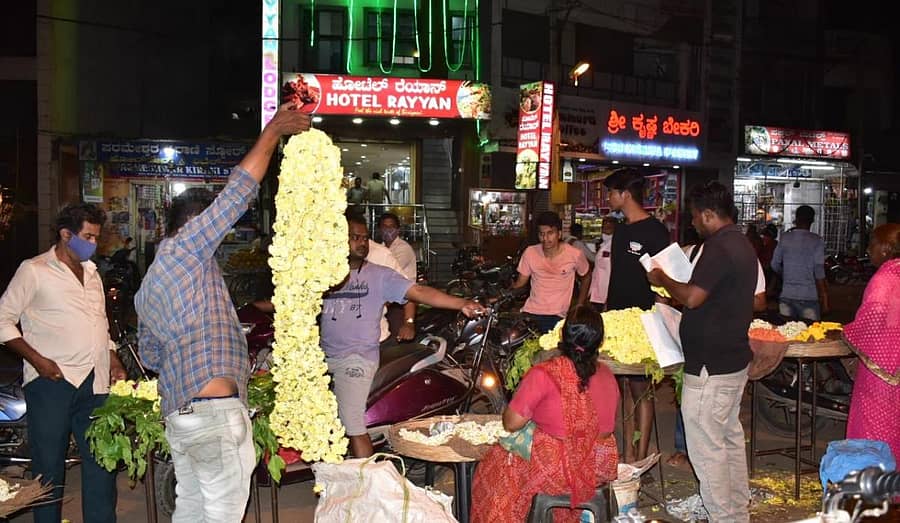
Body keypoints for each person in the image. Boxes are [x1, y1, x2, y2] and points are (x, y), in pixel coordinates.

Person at [134, 102, 310, 522]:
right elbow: (237, 192)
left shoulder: (147, 288)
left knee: (193, 512)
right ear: (194, 222)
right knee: (223, 515)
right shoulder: (187, 250)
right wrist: (273, 131)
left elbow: (153, 356)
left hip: (182, 417)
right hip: (212, 417)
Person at [0, 203, 126, 523]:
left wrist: (112, 358)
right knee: (49, 467)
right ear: (65, 234)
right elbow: (3, 320)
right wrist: (39, 361)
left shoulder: (93, 274)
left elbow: (101, 325)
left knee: (101, 461)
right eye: (88, 237)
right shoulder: (35, 270)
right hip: (52, 382)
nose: (93, 244)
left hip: (96, 381)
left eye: (97, 238)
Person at [322, 214, 485, 458]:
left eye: (365, 238)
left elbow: (418, 291)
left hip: (356, 359)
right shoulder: (323, 274)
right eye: (355, 238)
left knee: (352, 423)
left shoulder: (380, 274)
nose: (362, 243)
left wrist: (461, 303)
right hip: (323, 356)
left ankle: (368, 485)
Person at [648, 181, 756, 522]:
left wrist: (663, 278)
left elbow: (694, 297)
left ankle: (725, 516)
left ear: (709, 215)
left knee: (707, 449)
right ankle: (738, 510)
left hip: (711, 366)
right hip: (731, 359)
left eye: (695, 217)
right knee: (727, 439)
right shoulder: (742, 243)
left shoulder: (719, 247)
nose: (693, 223)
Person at [471, 306, 619, 523]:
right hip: (597, 466)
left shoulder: (544, 373)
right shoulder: (607, 374)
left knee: (501, 459)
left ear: (562, 335)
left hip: (557, 470)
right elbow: (606, 427)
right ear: (600, 342)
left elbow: (511, 423)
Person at [603, 168, 670, 464]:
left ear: (625, 194)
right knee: (624, 388)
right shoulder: (621, 230)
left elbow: (665, 280)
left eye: (611, 192)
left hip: (644, 320)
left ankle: (642, 457)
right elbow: (617, 277)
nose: (608, 198)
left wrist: (656, 321)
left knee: (642, 389)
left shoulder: (655, 231)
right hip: (617, 320)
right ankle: (628, 454)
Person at [843, 223, 900, 461]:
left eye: (872, 244)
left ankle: (873, 491)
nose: (868, 250)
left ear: (886, 248)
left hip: (881, 377)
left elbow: (875, 318)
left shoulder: (885, 278)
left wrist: (847, 333)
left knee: (873, 432)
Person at [512, 211, 591, 333]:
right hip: (531, 312)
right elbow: (520, 283)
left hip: (557, 316)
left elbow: (586, 276)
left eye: (550, 233)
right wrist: (498, 297)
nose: (545, 238)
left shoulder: (574, 254)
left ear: (559, 234)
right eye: (541, 234)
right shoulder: (530, 252)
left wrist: (580, 304)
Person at [771, 205, 829, 320]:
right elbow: (819, 270)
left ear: (795, 219)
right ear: (812, 220)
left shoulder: (784, 238)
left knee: (787, 334)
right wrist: (824, 297)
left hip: (787, 295)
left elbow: (774, 264)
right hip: (809, 297)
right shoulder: (816, 241)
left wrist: (786, 275)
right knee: (810, 335)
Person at [378, 213, 419, 339]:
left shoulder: (403, 248)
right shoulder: (380, 248)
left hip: (401, 303)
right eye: (385, 227)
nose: (388, 230)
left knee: (395, 339)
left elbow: (387, 272)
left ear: (398, 229)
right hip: (386, 299)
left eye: (392, 227)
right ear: (379, 229)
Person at [588, 216, 616, 311]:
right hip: (596, 293)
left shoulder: (615, 246)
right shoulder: (603, 245)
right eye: (603, 228)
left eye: (609, 228)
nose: (605, 231)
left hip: (606, 294)